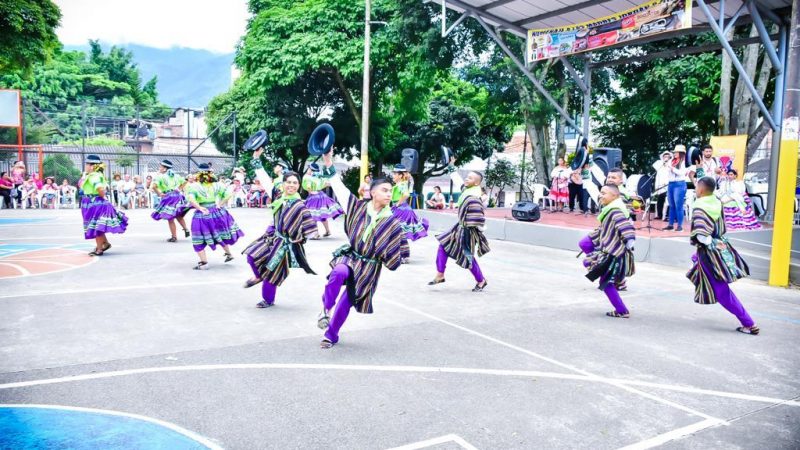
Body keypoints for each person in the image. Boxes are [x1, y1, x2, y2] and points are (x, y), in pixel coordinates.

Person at [316, 151, 409, 349]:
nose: (388, 193)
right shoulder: (356, 207)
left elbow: (396, 250)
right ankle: (325, 307)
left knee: (347, 301)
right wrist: (328, 162)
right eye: (384, 190)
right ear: (373, 192)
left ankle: (331, 334)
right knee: (339, 272)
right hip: (352, 257)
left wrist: (394, 256)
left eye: (390, 191)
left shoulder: (393, 222)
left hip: (369, 268)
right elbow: (339, 188)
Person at [242, 148, 318, 308]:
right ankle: (258, 276)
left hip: (284, 244)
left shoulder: (300, 205)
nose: (291, 185)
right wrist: (256, 158)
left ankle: (268, 300)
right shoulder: (278, 196)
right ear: (283, 183)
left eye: (295, 183)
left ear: (299, 185)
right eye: (288, 182)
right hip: (270, 236)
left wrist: (297, 240)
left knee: (272, 273)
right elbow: (263, 178)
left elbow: (309, 228)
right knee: (251, 256)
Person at [687, 177, 758, 335]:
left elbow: (701, 236)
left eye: (697, 186)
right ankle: (698, 272)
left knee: (721, 291)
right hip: (720, 244)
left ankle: (748, 322)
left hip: (709, 252)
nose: (695, 189)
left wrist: (708, 241)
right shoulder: (716, 201)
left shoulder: (700, 206)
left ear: (701, 189)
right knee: (697, 265)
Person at [579, 185, 636, 318]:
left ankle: (622, 311)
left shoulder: (615, 211)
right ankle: (621, 309)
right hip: (611, 252)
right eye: (600, 192)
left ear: (614, 196)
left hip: (614, 254)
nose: (600, 195)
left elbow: (628, 231)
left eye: (604, 193)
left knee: (606, 283)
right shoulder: (611, 209)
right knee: (605, 282)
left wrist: (622, 248)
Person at [428, 169, 490, 292]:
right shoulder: (468, 191)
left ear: (477, 183)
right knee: (443, 245)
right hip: (459, 227)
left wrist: (471, 232)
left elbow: (478, 219)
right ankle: (440, 275)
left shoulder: (473, 197)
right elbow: (458, 181)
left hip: (467, 231)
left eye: (470, 178)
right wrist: (451, 166)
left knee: (467, 256)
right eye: (467, 177)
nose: (467, 179)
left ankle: (481, 280)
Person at [186, 163, 244, 269]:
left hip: (203, 214)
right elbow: (228, 195)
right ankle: (228, 254)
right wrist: (219, 204)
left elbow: (191, 199)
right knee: (220, 234)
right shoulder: (218, 185)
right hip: (217, 212)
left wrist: (199, 208)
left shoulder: (193, 186)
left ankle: (204, 263)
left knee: (198, 237)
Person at [79, 155, 128, 256]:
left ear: (92, 166)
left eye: (87, 164)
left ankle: (99, 249)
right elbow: (81, 185)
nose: (86, 166)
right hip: (92, 203)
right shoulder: (93, 175)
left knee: (97, 226)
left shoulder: (94, 176)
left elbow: (100, 189)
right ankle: (104, 244)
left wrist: (101, 196)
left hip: (95, 203)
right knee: (98, 225)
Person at [390, 164, 429, 261]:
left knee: (398, 233)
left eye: (395, 174)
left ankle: (403, 256)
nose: (393, 176)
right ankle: (403, 255)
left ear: (400, 175)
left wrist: (398, 203)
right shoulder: (403, 183)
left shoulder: (401, 184)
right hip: (403, 208)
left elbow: (406, 194)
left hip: (401, 209)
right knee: (399, 233)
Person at [151, 160, 191, 242]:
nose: (159, 168)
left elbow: (154, 186)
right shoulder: (176, 175)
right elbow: (185, 182)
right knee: (178, 215)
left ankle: (174, 236)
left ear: (165, 168)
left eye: (161, 167)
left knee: (170, 217)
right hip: (178, 196)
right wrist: (179, 189)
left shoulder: (160, 176)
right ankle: (185, 228)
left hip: (168, 197)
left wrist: (159, 194)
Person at [302, 163, 343, 238]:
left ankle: (316, 234)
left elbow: (308, 187)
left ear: (310, 169)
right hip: (321, 195)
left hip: (313, 197)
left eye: (309, 169)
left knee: (313, 215)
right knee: (322, 215)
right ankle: (327, 231)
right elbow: (327, 184)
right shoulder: (319, 177)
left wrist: (311, 191)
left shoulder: (307, 177)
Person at [665, 145, 688, 231]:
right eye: (674, 152)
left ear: (681, 153)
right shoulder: (672, 161)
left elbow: (681, 173)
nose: (674, 153)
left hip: (679, 184)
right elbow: (668, 171)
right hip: (671, 183)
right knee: (671, 205)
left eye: (676, 152)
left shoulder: (684, 161)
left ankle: (680, 226)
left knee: (679, 206)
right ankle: (670, 225)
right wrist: (668, 166)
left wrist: (672, 169)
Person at [651, 151, 672, 220]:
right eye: (665, 156)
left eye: (667, 156)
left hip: (668, 184)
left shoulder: (672, 163)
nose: (666, 157)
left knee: (668, 200)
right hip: (660, 184)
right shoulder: (659, 162)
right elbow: (655, 167)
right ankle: (659, 215)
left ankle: (667, 216)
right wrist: (663, 162)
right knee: (660, 199)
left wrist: (667, 163)